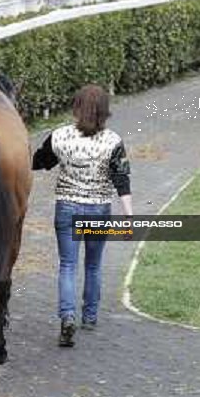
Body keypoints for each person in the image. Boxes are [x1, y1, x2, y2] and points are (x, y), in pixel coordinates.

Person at [32, 85, 133, 346]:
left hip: (67, 207)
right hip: (98, 208)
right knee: (93, 265)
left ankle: (67, 316)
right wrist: (129, 215)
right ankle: (89, 316)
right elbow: (121, 180)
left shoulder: (59, 137)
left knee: (68, 265)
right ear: (104, 111)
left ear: (77, 107)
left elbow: (39, 162)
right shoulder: (113, 142)